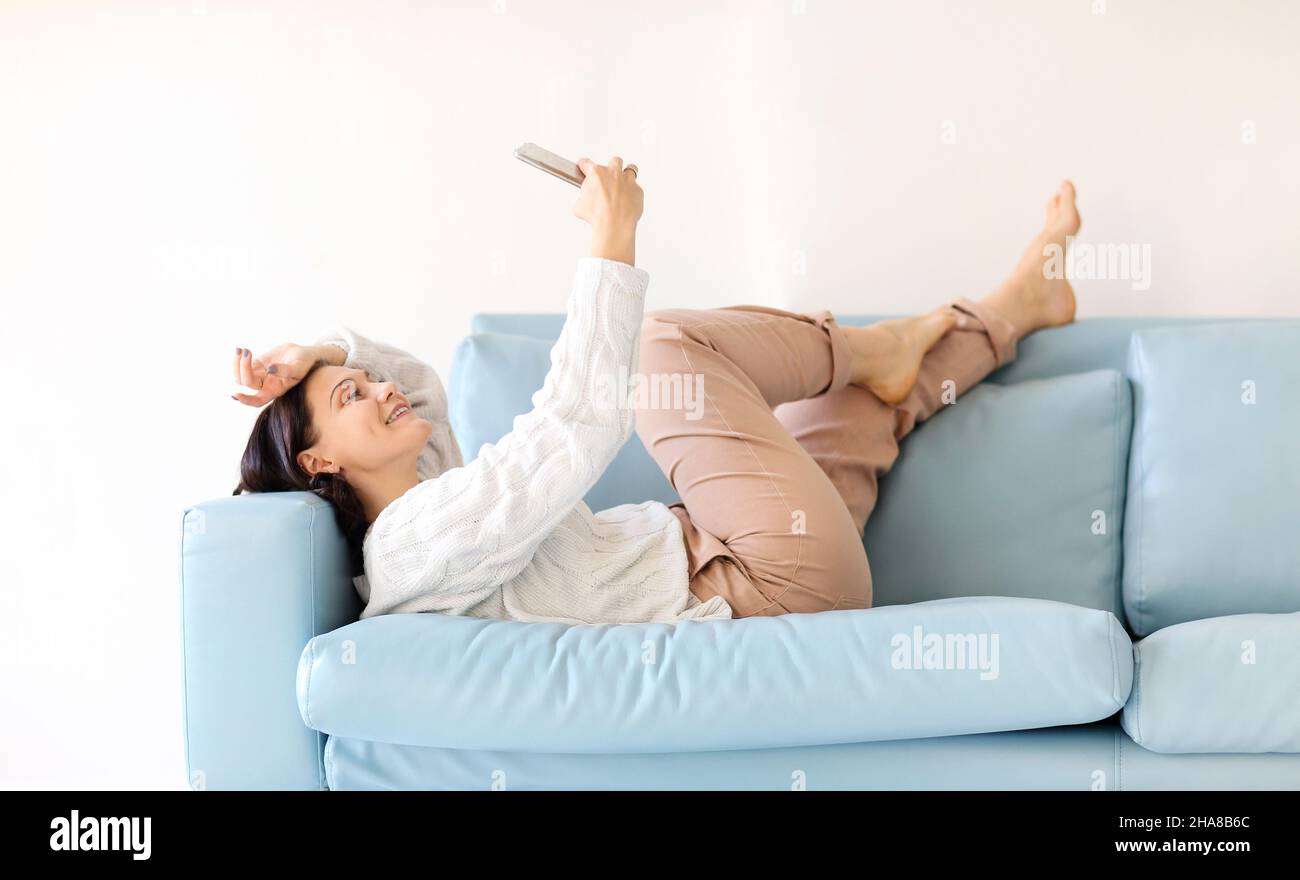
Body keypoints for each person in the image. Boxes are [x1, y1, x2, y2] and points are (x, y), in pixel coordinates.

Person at [231, 156, 1080, 624]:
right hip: (761, 582)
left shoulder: (434, 506)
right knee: (663, 345)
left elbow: (419, 388)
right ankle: (873, 346)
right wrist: (612, 238)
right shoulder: (415, 543)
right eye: (351, 399)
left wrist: (323, 353)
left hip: (757, 559)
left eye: (367, 383)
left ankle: (1014, 308)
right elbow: (578, 424)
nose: (382, 391)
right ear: (317, 462)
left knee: (850, 409)